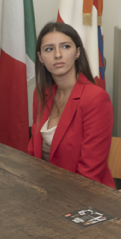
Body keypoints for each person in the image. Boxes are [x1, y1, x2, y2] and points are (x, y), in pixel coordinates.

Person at [25, 21, 115, 187]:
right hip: (47, 190)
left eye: (65, 47)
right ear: (40, 58)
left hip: (88, 196)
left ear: (77, 53)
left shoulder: (95, 99)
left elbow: (90, 172)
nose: (58, 54)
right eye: (49, 49)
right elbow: (33, 153)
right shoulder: (40, 93)